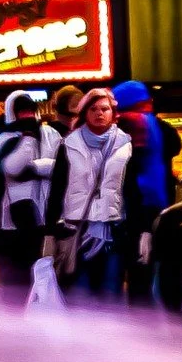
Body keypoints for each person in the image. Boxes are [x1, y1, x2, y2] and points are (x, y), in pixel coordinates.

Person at [44, 87, 134, 301]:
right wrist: (49, 233)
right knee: (80, 297)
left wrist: (141, 228)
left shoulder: (126, 145)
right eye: (93, 109)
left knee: (111, 296)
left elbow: (131, 190)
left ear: (113, 113)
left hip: (113, 230)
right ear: (84, 112)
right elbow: (57, 189)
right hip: (77, 230)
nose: (99, 113)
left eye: (105, 109)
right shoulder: (68, 145)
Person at [112, 79, 182, 301]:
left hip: (129, 211)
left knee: (133, 272)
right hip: (160, 210)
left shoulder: (124, 128)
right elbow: (175, 147)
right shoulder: (162, 129)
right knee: (152, 270)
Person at [0, 91, 62, 302]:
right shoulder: (5, 137)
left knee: (46, 279)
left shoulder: (51, 134)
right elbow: (12, 167)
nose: (27, 116)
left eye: (30, 111)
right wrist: (29, 138)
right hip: (16, 223)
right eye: (22, 112)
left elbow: (61, 167)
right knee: (18, 284)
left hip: (47, 218)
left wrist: (34, 168)